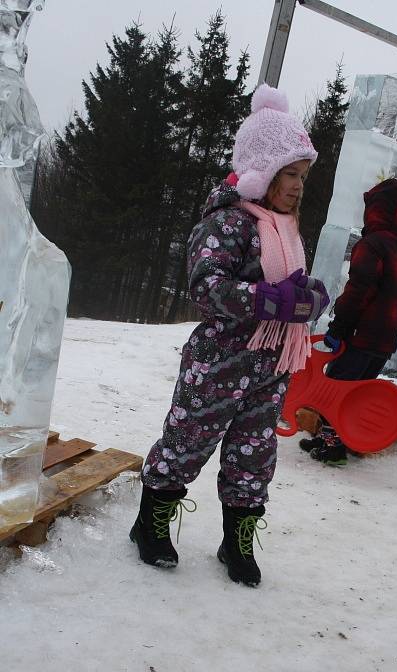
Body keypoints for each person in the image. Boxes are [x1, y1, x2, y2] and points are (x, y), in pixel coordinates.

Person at [130, 84, 329, 586]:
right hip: (219, 362)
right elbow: (206, 285)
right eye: (289, 173)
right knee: (188, 439)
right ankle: (150, 522)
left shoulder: (284, 229)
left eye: (302, 176)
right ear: (262, 171)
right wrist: (267, 300)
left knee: (254, 454)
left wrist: (310, 298)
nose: (298, 185)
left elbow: (293, 287)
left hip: (270, 366)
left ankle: (236, 539)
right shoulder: (227, 222)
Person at [300, 178, 397, 465]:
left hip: (362, 334)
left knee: (336, 387)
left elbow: (359, 290)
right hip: (385, 338)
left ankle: (332, 446)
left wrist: (339, 327)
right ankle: (342, 439)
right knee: (359, 392)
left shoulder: (372, 244)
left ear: (377, 209)